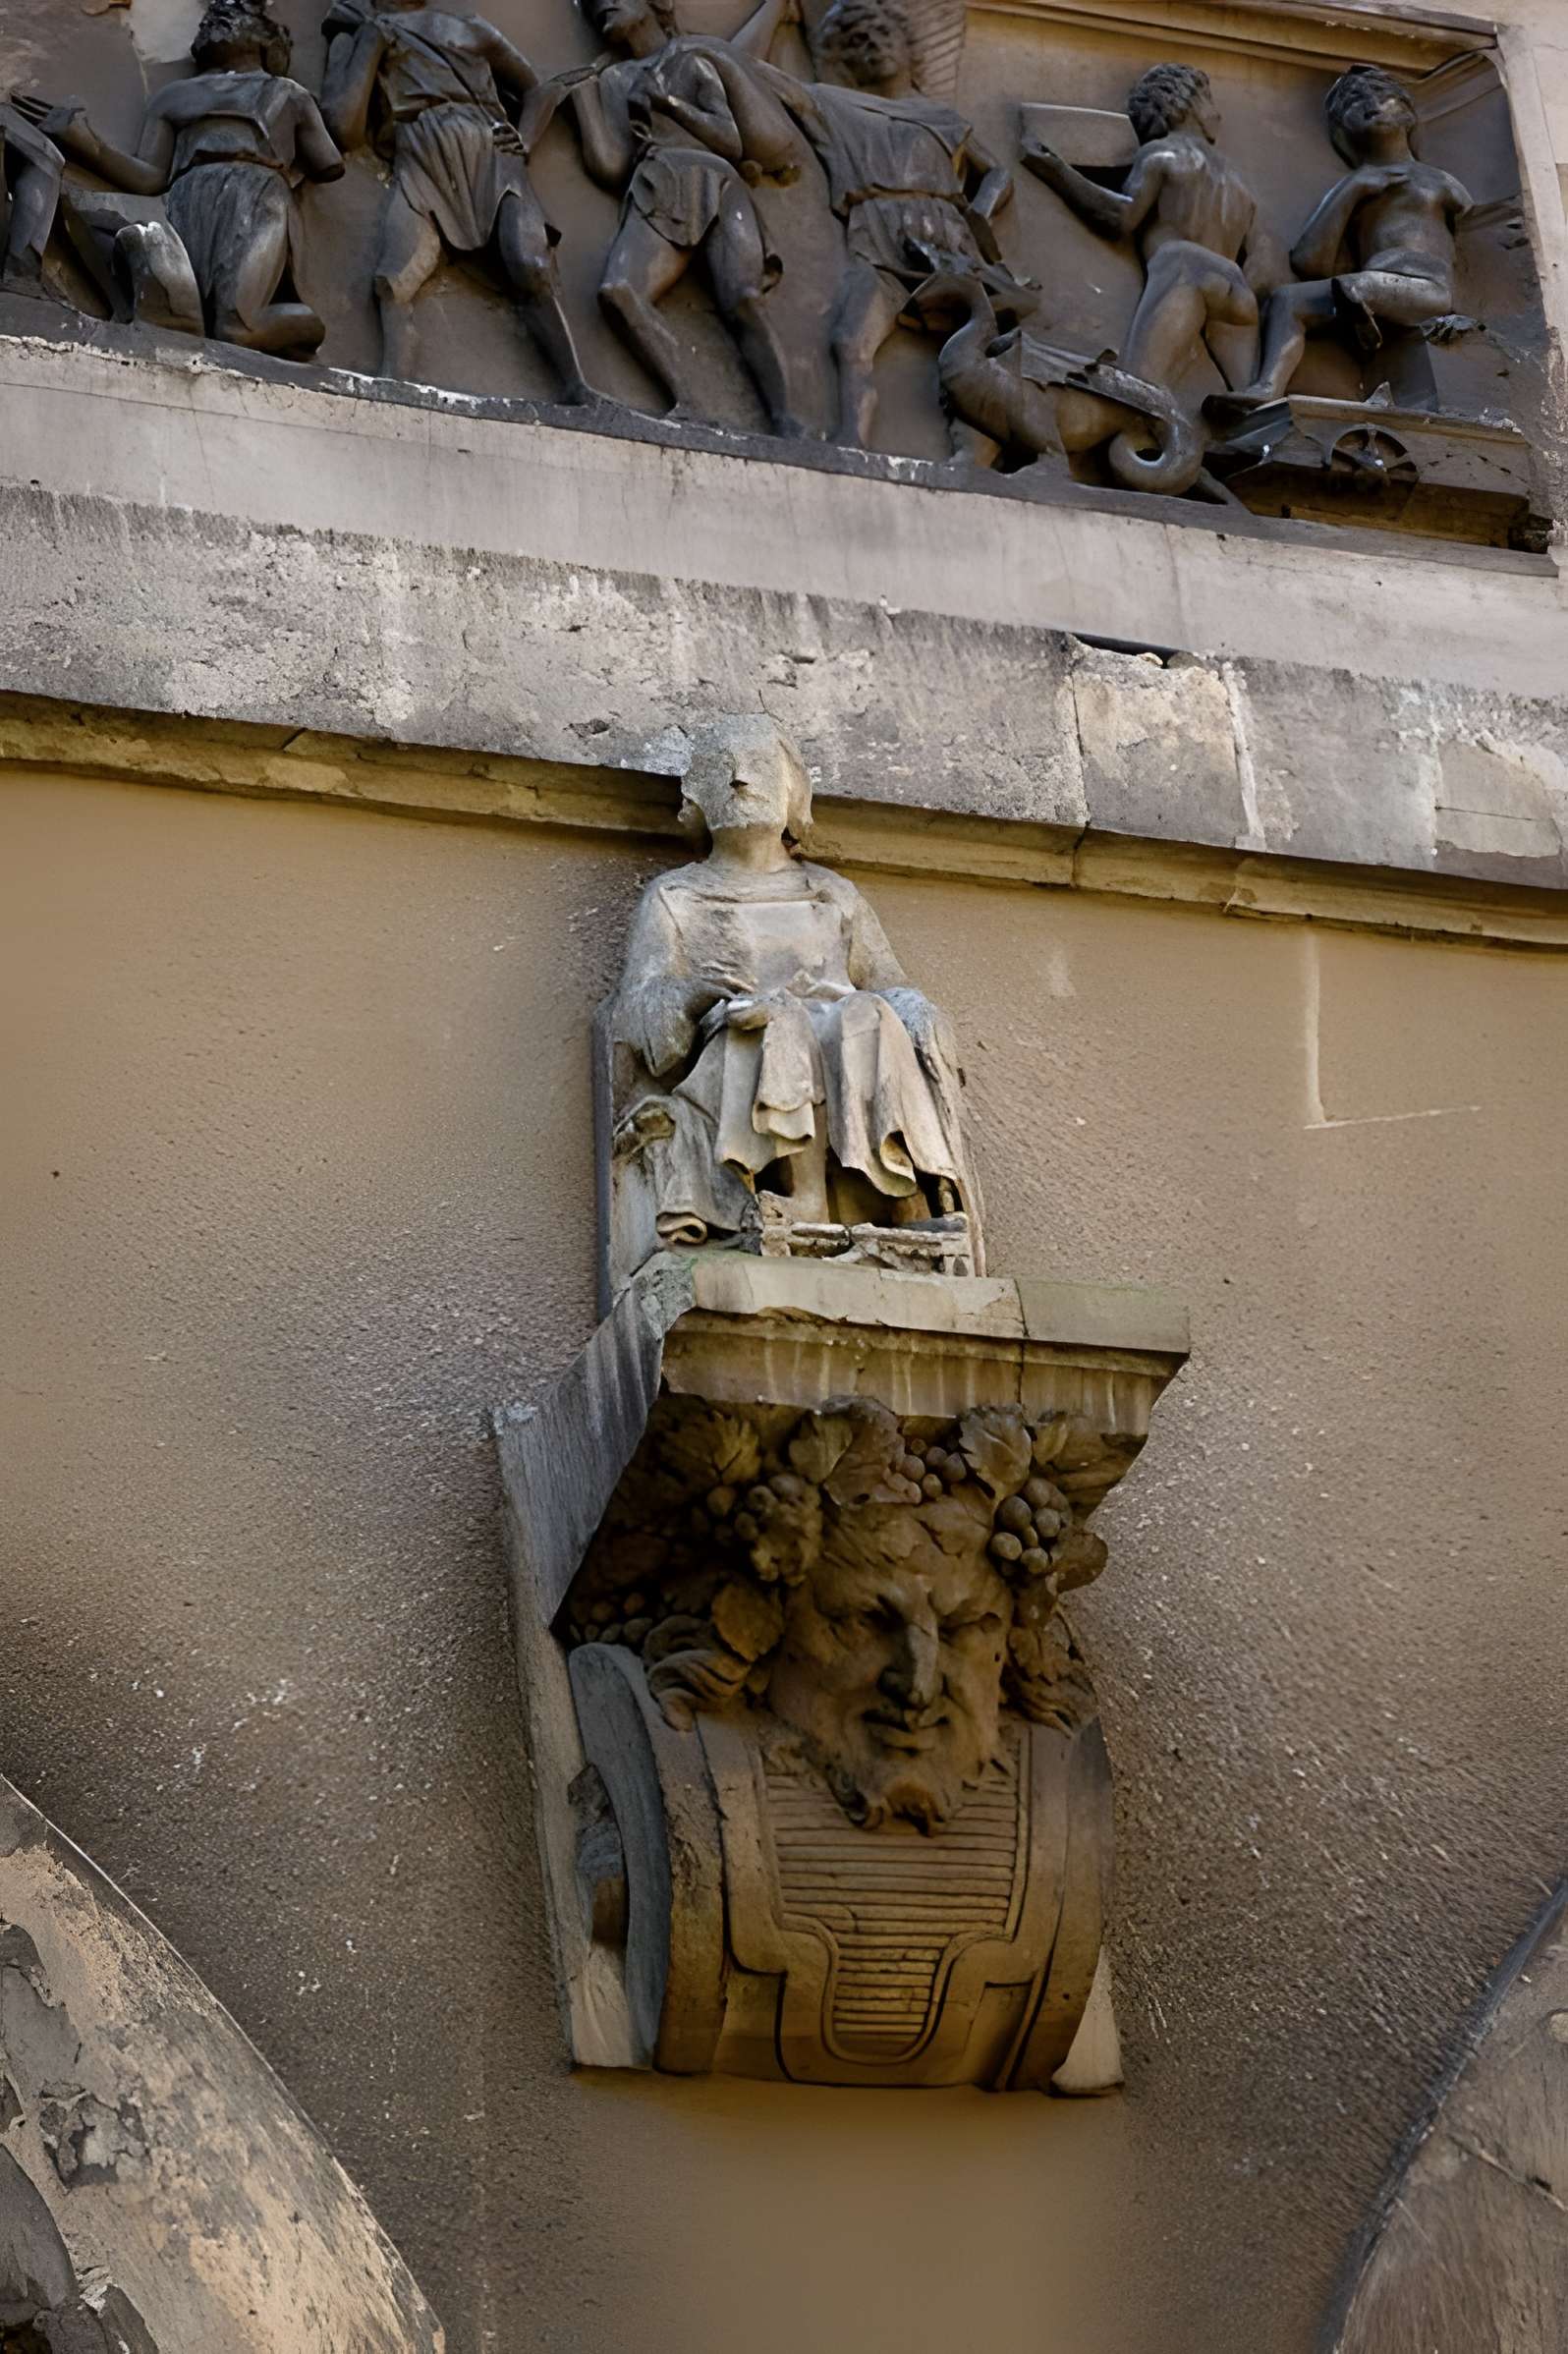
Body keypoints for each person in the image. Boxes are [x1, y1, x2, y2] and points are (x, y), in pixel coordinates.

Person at [607, 713, 980, 1266]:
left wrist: (917, 1014)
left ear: (792, 791)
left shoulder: (831, 894)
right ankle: (803, 1194)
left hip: (836, 1035)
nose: (739, 779)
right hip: (736, 1046)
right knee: (780, 1017)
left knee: (870, 1015)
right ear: (697, 798)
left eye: (758, 765)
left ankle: (904, 1196)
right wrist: (696, 994)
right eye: (719, 768)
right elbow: (642, 1008)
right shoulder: (675, 899)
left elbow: (890, 984)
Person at [15, 3, 343, 358]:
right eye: (211, 18)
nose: (217, 19)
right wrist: (87, 144)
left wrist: (274, 170)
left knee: (236, 329)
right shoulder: (172, 97)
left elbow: (328, 163)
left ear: (266, 40)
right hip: (188, 202)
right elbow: (150, 177)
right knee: (195, 313)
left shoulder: (288, 94)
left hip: (257, 199)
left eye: (235, 15)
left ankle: (310, 325)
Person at [759, 0, 1014, 449]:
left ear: (908, 47)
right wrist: (776, 12)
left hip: (947, 243)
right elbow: (753, 73)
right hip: (877, 240)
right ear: (843, 57)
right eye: (858, 40)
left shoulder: (944, 118)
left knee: (984, 348)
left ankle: (986, 445)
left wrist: (980, 212)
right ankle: (851, 441)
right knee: (848, 337)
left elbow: (998, 173)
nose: (873, 45)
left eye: (882, 34)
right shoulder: (831, 103)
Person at [321, 0, 595, 396]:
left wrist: (525, 139)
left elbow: (537, 87)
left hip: (492, 154)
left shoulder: (471, 29)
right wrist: (368, 43)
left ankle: (576, 387)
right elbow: (345, 128)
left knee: (530, 263)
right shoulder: (370, 31)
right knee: (393, 278)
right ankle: (394, 382)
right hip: (423, 158)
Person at [566, 0, 809, 432]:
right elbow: (613, 166)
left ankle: (789, 420)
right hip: (658, 183)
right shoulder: (613, 79)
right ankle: (690, 403)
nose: (603, 5)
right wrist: (582, 101)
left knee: (743, 298)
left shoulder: (691, 59)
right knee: (620, 290)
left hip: (714, 182)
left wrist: (670, 103)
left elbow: (730, 141)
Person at [1021, 60, 1277, 409]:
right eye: (1209, 99)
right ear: (1184, 103)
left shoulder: (1161, 155)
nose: (1217, 112)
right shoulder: (1240, 184)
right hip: (1239, 294)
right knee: (1251, 415)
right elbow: (1264, 267)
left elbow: (1122, 216)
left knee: (1136, 398)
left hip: (1184, 269)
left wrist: (1056, 171)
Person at [1228, 64, 1474, 409]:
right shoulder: (1353, 187)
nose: (1370, 104)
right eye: (1355, 102)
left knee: (1356, 287)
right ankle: (1267, 390)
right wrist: (1353, 190)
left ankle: (1360, 315)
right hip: (1373, 285)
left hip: (1427, 289)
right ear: (1345, 129)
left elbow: (1477, 233)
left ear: (1407, 112)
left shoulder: (1438, 181)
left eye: (1382, 95)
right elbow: (1309, 262)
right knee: (1287, 299)